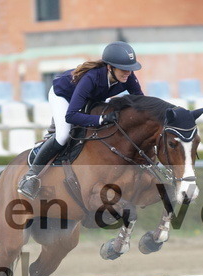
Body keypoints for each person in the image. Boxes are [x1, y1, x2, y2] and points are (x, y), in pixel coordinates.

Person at [18, 41, 144, 198]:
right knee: (64, 134)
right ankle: (30, 176)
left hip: (90, 97)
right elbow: (71, 115)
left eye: (130, 69)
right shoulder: (91, 78)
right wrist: (101, 119)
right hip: (63, 96)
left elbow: (141, 104)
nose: (128, 73)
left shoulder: (128, 77)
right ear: (110, 67)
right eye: (124, 69)